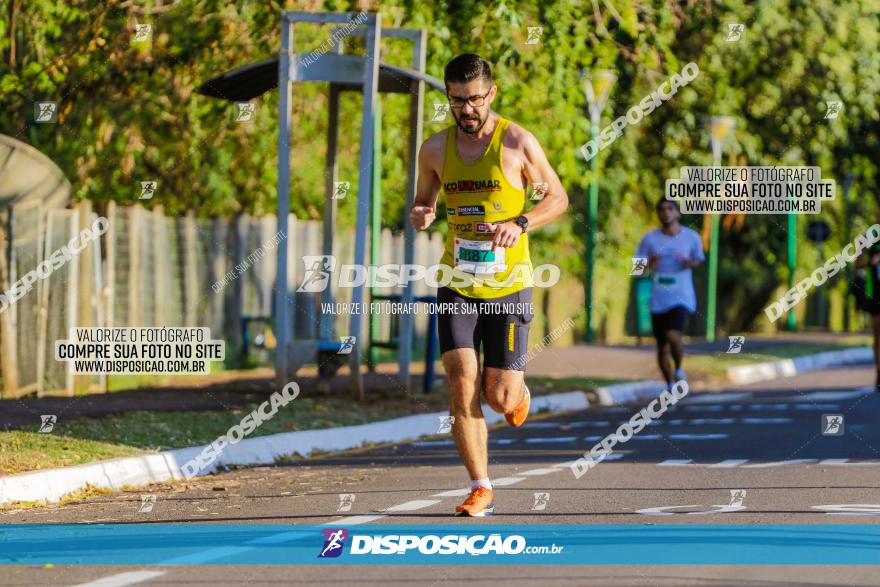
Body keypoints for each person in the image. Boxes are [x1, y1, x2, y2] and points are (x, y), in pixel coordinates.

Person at [410, 54, 568, 516]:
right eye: (457, 101)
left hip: (509, 284)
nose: (467, 110)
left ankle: (516, 394)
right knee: (461, 383)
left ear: (491, 94)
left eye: (474, 100)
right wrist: (422, 212)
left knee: (498, 397)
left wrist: (520, 221)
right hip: (457, 283)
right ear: (448, 98)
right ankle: (481, 485)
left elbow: (557, 198)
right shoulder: (435, 150)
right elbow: (423, 200)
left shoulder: (517, 141)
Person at [635, 199, 704, 390]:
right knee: (662, 345)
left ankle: (679, 368)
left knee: (674, 335)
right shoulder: (649, 239)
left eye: (669, 209)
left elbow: (698, 259)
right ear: (658, 214)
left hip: (681, 295)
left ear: (677, 213)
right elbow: (636, 268)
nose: (665, 213)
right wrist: (649, 262)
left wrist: (689, 263)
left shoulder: (691, 237)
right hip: (658, 297)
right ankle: (669, 385)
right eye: (661, 210)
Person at [854, 213, 880, 391]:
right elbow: (857, 263)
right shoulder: (868, 237)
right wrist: (870, 261)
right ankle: (879, 370)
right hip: (875, 292)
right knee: (877, 333)